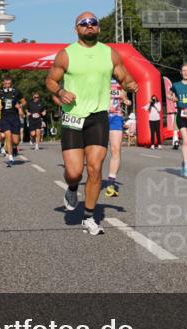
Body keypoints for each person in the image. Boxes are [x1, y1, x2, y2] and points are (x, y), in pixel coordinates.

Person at [45, 12, 138, 235]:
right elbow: (50, 80)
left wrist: (130, 83)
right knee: (75, 172)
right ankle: (73, 187)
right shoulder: (66, 55)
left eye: (93, 23)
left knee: (95, 169)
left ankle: (89, 217)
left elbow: (124, 77)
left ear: (98, 28)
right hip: (72, 117)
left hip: (98, 116)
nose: (89, 26)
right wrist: (60, 90)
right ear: (76, 29)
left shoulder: (109, 54)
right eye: (84, 23)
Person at [105, 77, 132, 196]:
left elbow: (124, 95)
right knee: (98, 151)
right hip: (100, 116)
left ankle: (111, 183)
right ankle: (93, 178)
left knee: (116, 149)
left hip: (116, 116)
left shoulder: (120, 80)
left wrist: (126, 100)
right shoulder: (100, 76)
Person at [0, 76, 24, 166]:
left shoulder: (17, 92)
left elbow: (24, 101)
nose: (7, 85)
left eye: (9, 84)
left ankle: (14, 147)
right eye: (6, 84)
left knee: (16, 141)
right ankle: (10, 157)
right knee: (8, 135)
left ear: (11, 84)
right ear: (3, 84)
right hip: (5, 117)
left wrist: (19, 106)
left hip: (14, 117)